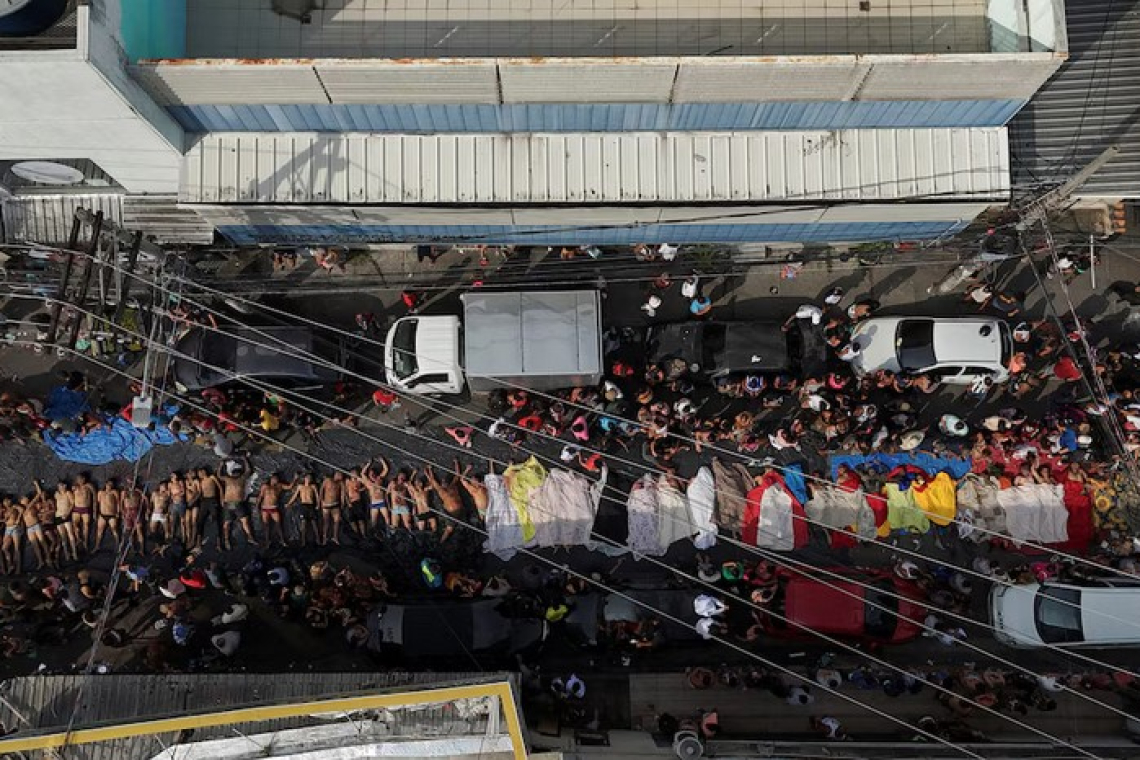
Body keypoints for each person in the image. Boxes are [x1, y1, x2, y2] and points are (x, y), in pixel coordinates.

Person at [218, 458, 257, 551]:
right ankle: (226, 540)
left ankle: (250, 537)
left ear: (239, 474)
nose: (235, 475)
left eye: (237, 473)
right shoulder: (228, 479)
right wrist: (221, 465)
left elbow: (248, 470)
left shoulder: (241, 479)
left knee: (245, 521)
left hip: (238, 503)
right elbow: (219, 475)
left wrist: (245, 460)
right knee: (227, 523)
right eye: (234, 473)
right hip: (228, 503)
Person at [286, 472, 320, 546]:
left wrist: (318, 504)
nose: (309, 479)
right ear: (304, 478)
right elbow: (294, 496)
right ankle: (303, 541)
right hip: (303, 505)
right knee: (303, 523)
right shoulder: (300, 486)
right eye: (307, 477)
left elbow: (317, 496)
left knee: (314, 523)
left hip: (311, 505)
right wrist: (289, 503)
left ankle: (318, 539)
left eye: (310, 478)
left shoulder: (313, 486)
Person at [362, 458, 391, 534]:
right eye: (370, 474)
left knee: (387, 518)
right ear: (369, 475)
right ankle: (373, 533)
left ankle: (388, 532)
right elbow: (362, 474)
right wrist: (368, 464)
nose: (372, 475)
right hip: (374, 503)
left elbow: (386, 469)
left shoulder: (379, 479)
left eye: (373, 473)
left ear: (375, 474)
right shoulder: (368, 482)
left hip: (381, 501)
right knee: (373, 521)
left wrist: (382, 460)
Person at [319, 472, 347, 546]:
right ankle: (325, 538)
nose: (342, 477)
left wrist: (342, 503)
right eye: (341, 475)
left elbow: (342, 494)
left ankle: (335, 537)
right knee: (326, 522)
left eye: (342, 476)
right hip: (326, 504)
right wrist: (320, 502)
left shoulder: (341, 483)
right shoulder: (327, 480)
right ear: (336, 475)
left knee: (337, 521)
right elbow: (321, 490)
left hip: (336, 504)